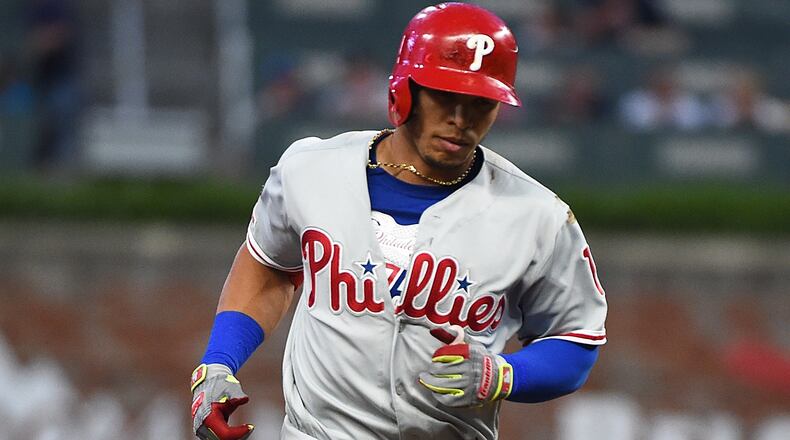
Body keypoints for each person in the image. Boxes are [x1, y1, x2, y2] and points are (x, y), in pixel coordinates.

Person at [190, 3, 608, 439]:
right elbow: (270, 266)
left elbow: (575, 339)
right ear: (403, 91)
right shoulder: (309, 170)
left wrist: (504, 375)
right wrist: (219, 360)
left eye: (481, 103)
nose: (461, 120)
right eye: (446, 97)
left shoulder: (537, 215)